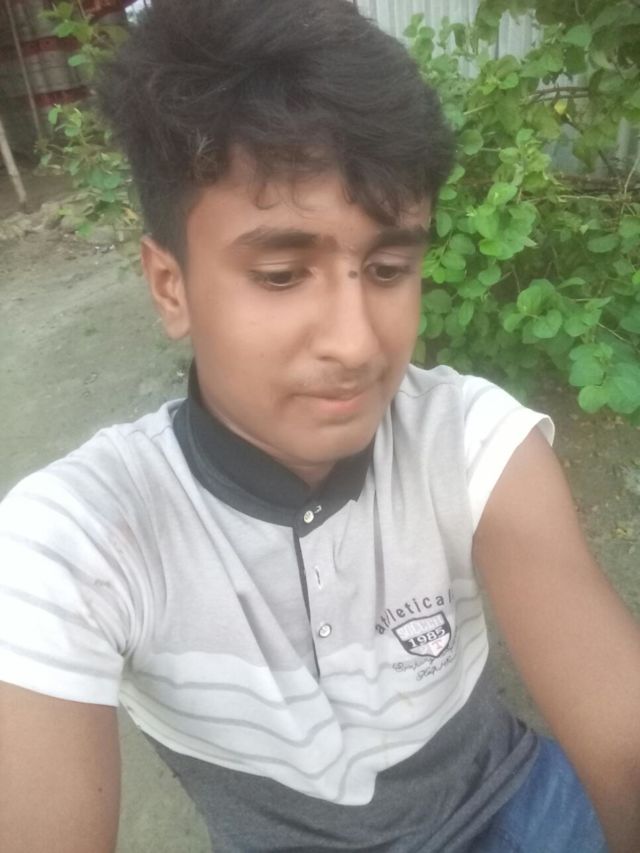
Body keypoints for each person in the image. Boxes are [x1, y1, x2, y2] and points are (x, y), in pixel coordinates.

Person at [0, 1, 639, 851]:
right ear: (170, 286)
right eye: (280, 273)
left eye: (388, 267)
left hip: (520, 810)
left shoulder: (470, 443)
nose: (357, 342)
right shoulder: (81, 539)